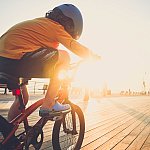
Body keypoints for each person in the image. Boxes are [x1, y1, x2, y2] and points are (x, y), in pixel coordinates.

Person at [0, 4, 99, 121]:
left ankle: (9, 133)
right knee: (65, 56)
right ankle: (49, 104)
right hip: (16, 60)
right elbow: (73, 46)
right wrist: (93, 56)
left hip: (7, 61)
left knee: (22, 98)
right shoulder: (55, 27)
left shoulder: (40, 24)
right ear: (70, 23)